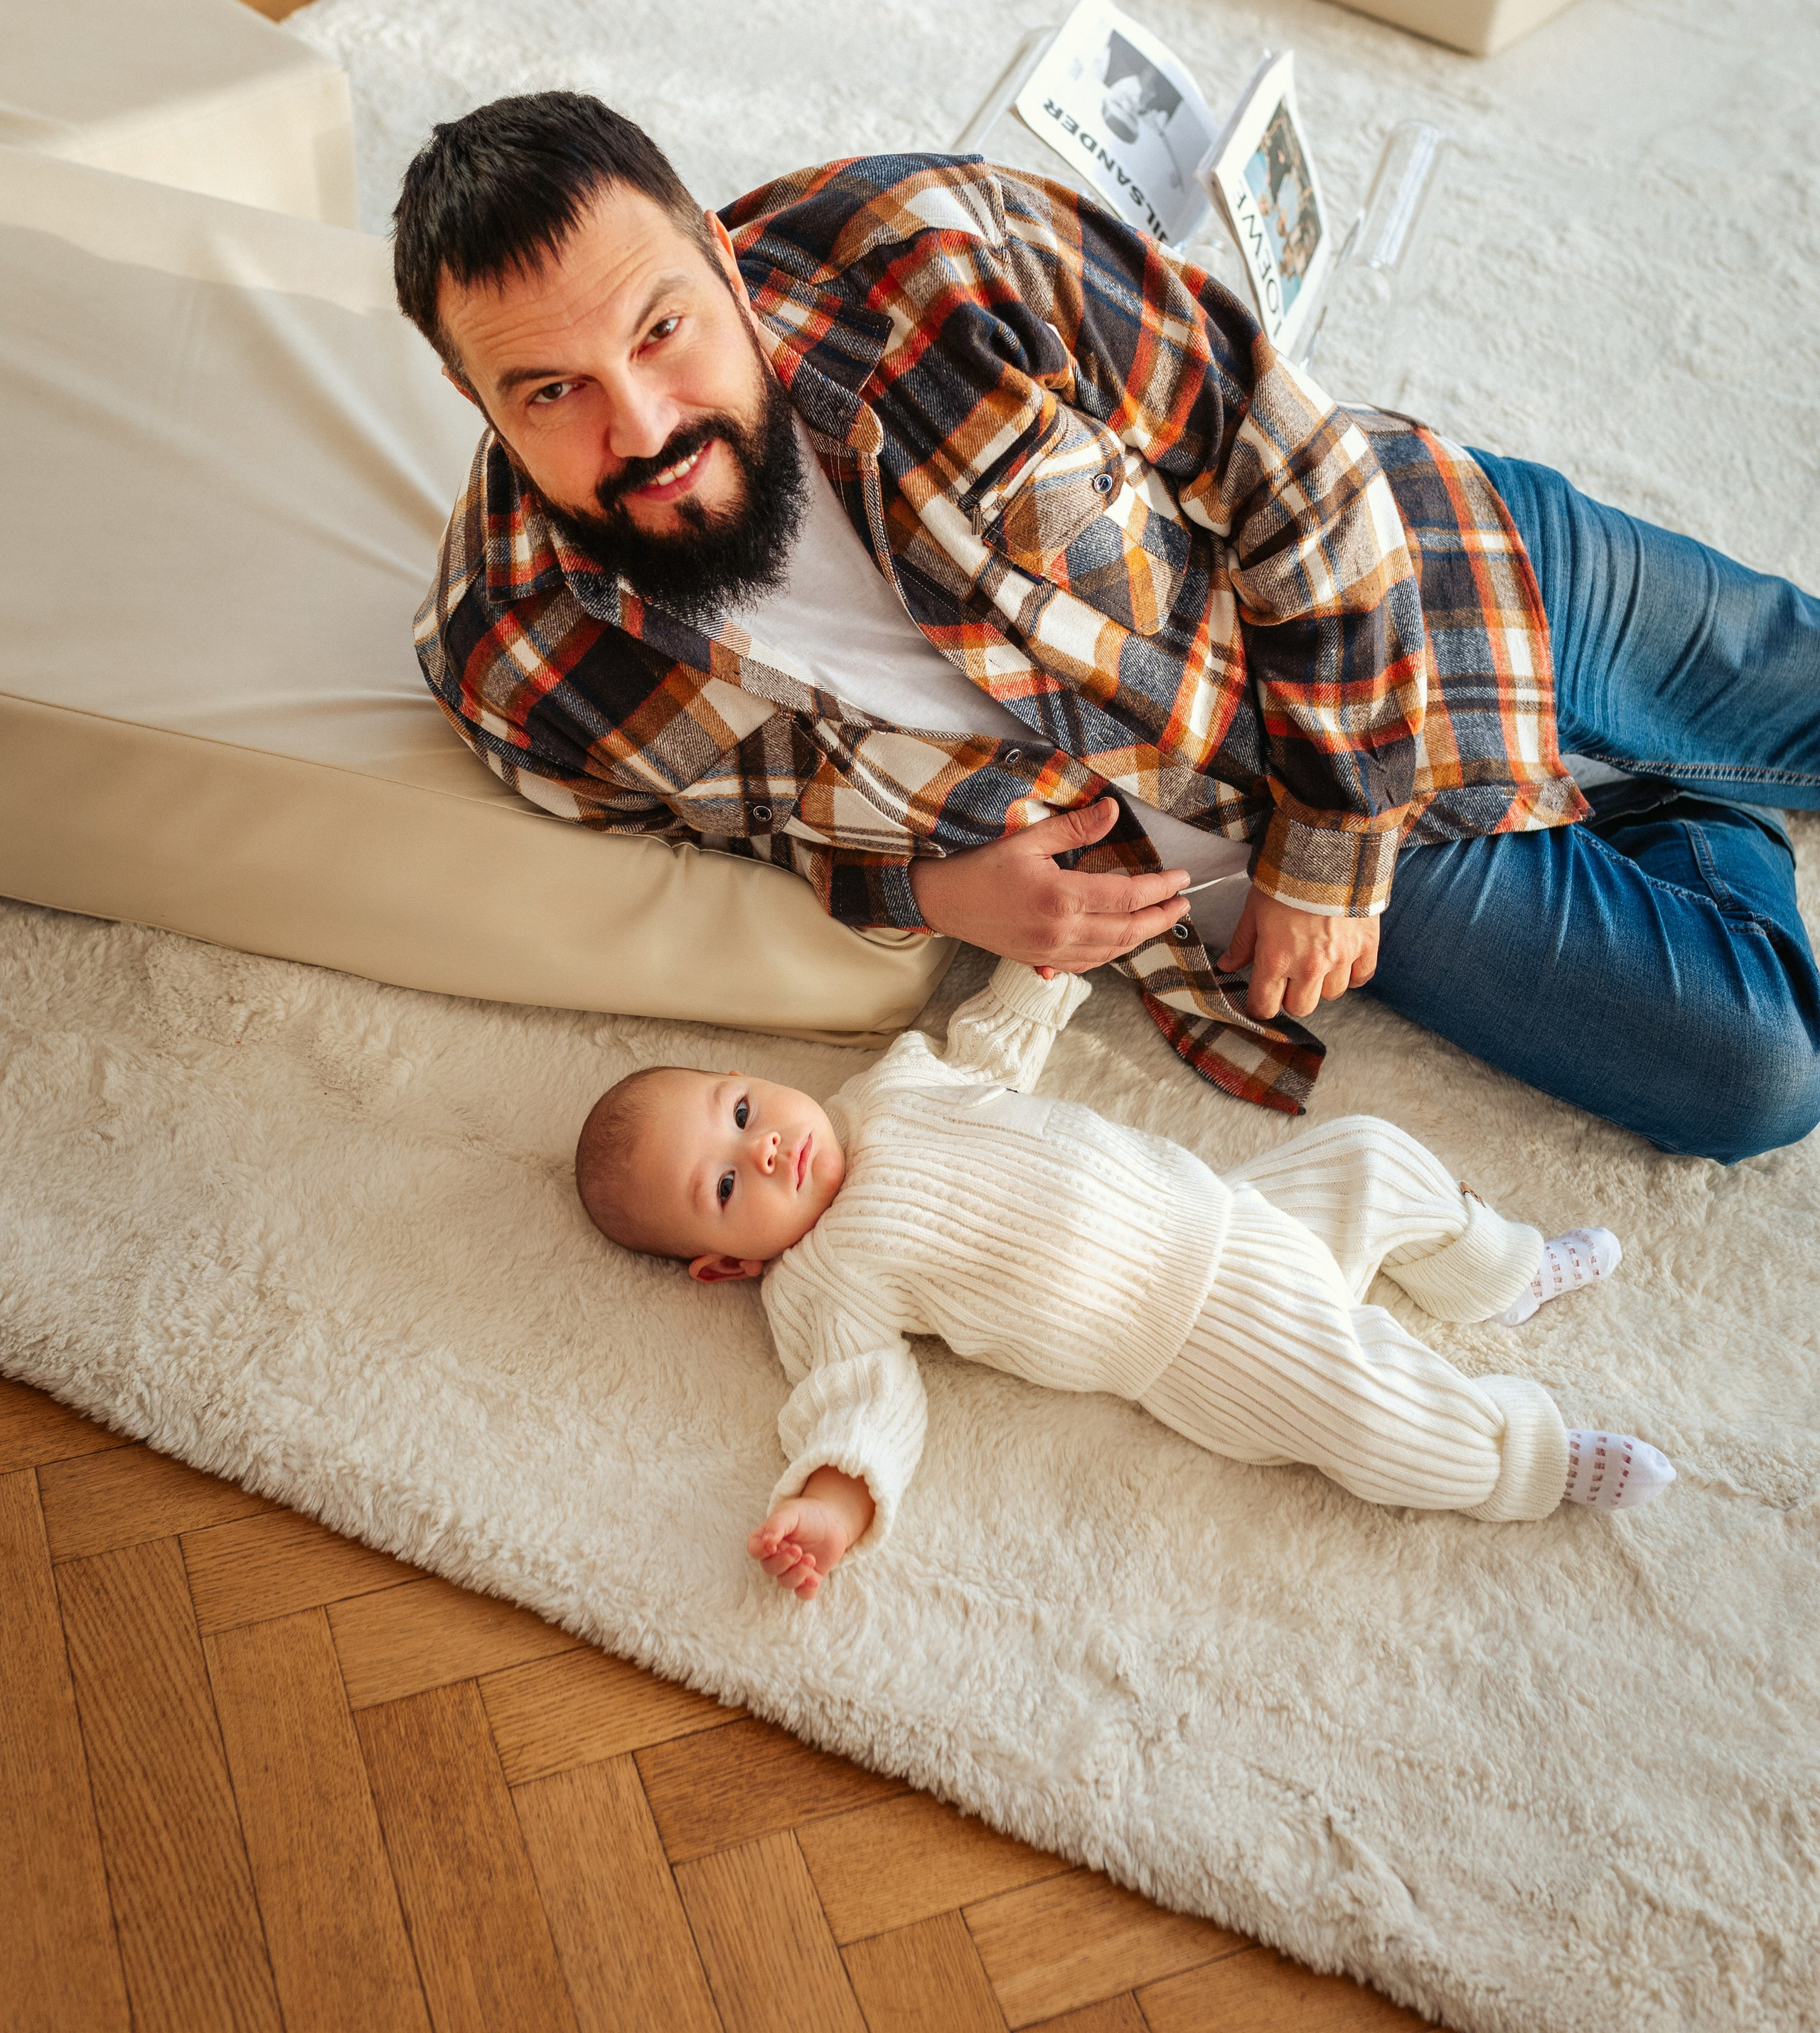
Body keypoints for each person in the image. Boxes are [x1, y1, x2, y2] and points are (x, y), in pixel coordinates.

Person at [395, 90, 1820, 1161]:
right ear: (478, 405)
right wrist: (921, 892)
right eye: (547, 393)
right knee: (1758, 1078)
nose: (638, 425)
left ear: (718, 254)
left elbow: (1285, 458)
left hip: (1418, 569)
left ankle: (1655, 757)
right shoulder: (514, 660)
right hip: (1235, 843)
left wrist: (1333, 848)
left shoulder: (926, 245)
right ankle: (1686, 798)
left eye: (659, 330)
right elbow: (722, 841)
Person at [574, 959, 1672, 1595]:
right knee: (1371, 1408)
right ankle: (1527, 1459)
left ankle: (1502, 1271)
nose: (763, 1150)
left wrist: (1044, 961)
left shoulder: (891, 1086)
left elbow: (994, 1048)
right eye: (724, 1186)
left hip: (1233, 1211)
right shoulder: (820, 1280)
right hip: (1196, 1340)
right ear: (725, 1262)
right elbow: (862, 1395)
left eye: (745, 1112)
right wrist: (831, 1501)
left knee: (1373, 1155)